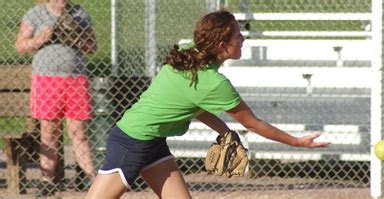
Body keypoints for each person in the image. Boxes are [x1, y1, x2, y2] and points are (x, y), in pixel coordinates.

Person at [85, 9, 330, 199]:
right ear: (223, 46)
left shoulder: (188, 53)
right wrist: (297, 142)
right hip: (133, 141)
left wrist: (224, 130)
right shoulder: (213, 83)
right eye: (237, 35)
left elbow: (194, 104)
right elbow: (253, 124)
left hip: (151, 141)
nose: (243, 38)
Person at [15, 0, 97, 196]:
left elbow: (93, 46)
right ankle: (47, 182)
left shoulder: (78, 13)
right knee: (49, 132)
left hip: (75, 80)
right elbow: (19, 45)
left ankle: (93, 179)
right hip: (46, 80)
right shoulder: (36, 13)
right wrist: (39, 39)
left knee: (79, 134)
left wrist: (79, 40)